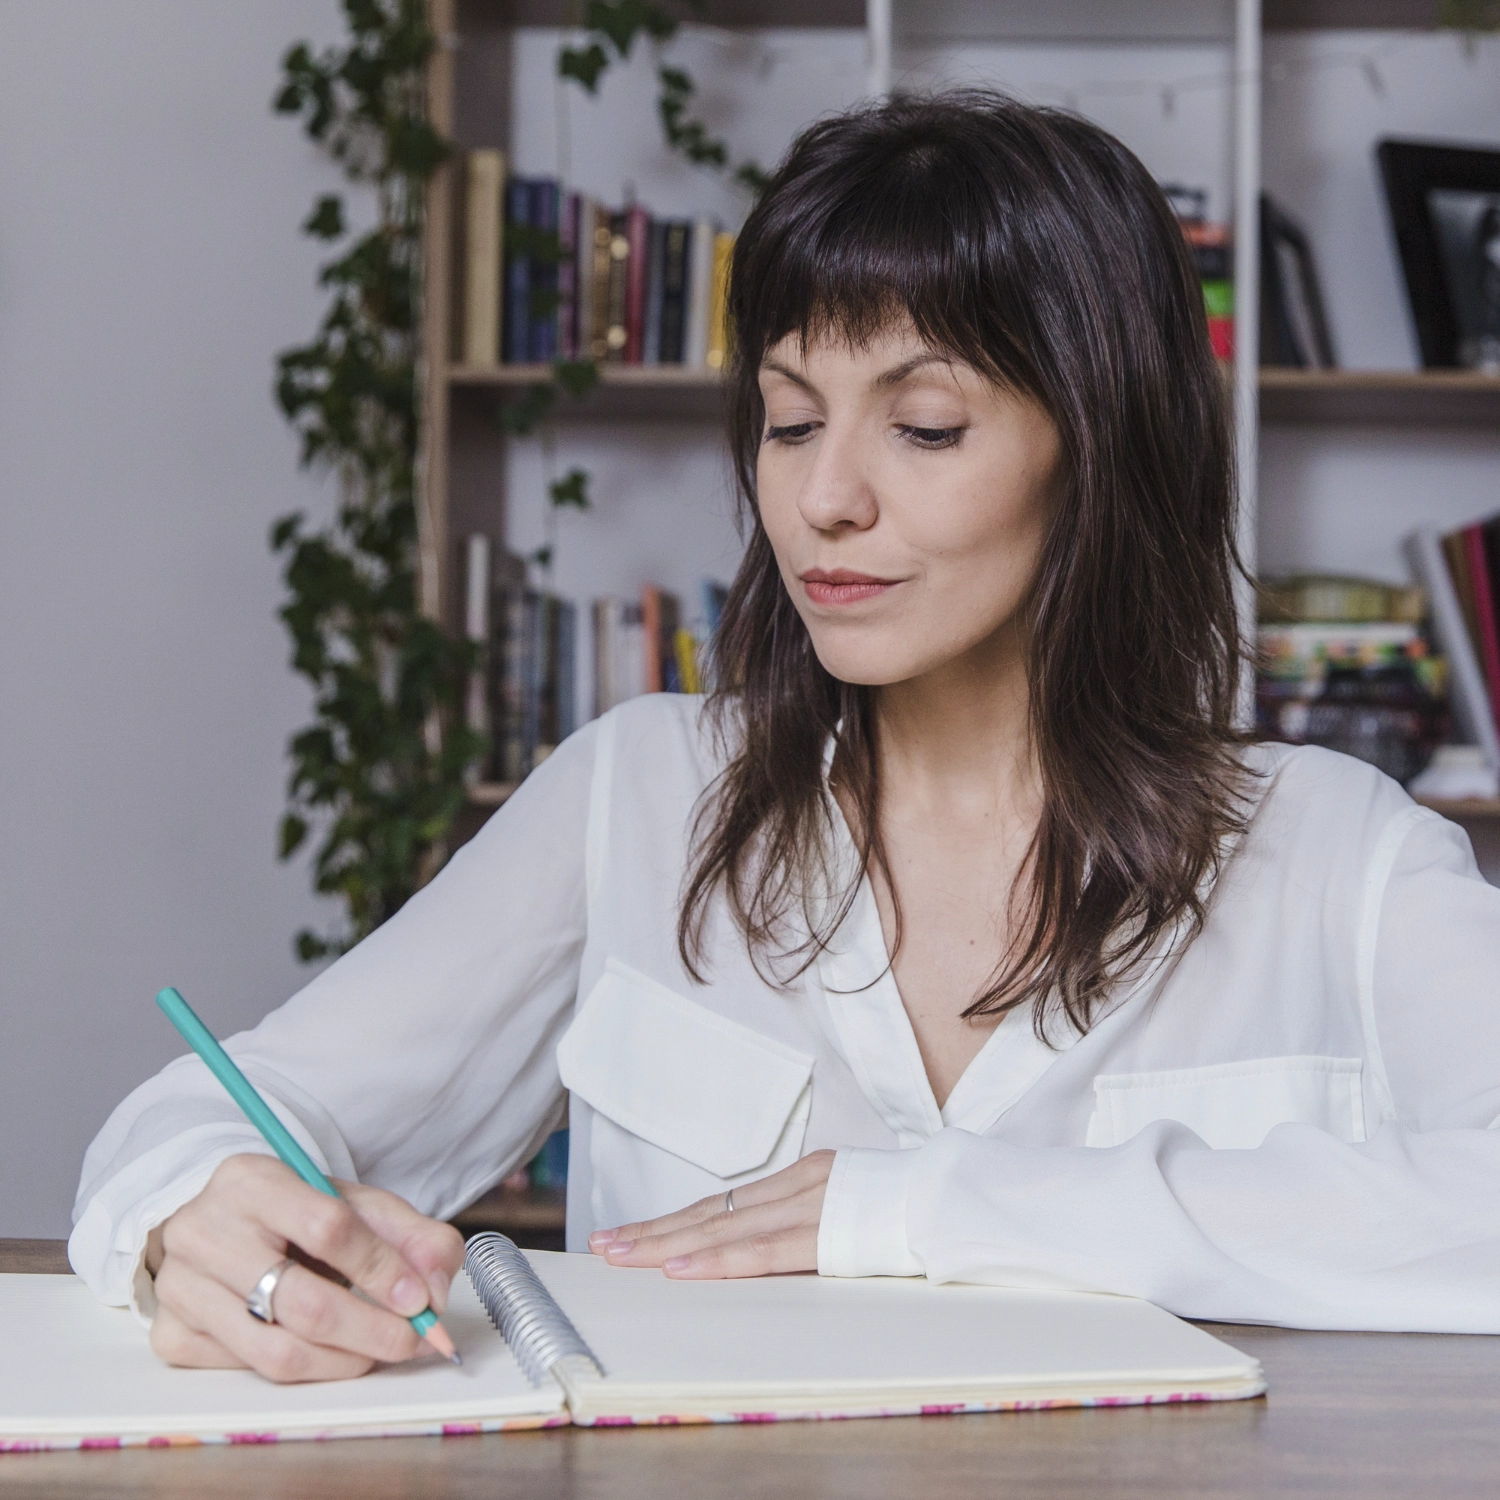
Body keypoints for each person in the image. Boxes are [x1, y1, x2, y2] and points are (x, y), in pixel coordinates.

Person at [72, 91, 1500, 1386]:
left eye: (924, 426)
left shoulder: (1338, 855)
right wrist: (190, 1225)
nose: (823, 499)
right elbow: (199, 1118)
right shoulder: (637, 794)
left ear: (1104, 452)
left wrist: (919, 1208)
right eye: (789, 419)